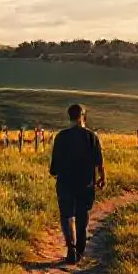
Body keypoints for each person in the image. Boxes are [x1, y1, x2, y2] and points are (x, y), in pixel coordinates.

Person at [49, 103, 105, 265]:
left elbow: (54, 165)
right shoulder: (91, 136)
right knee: (82, 213)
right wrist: (102, 177)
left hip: (65, 181)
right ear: (83, 117)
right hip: (86, 182)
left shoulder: (61, 136)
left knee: (67, 214)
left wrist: (55, 172)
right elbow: (99, 161)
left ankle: (71, 248)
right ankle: (80, 248)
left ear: (70, 117)